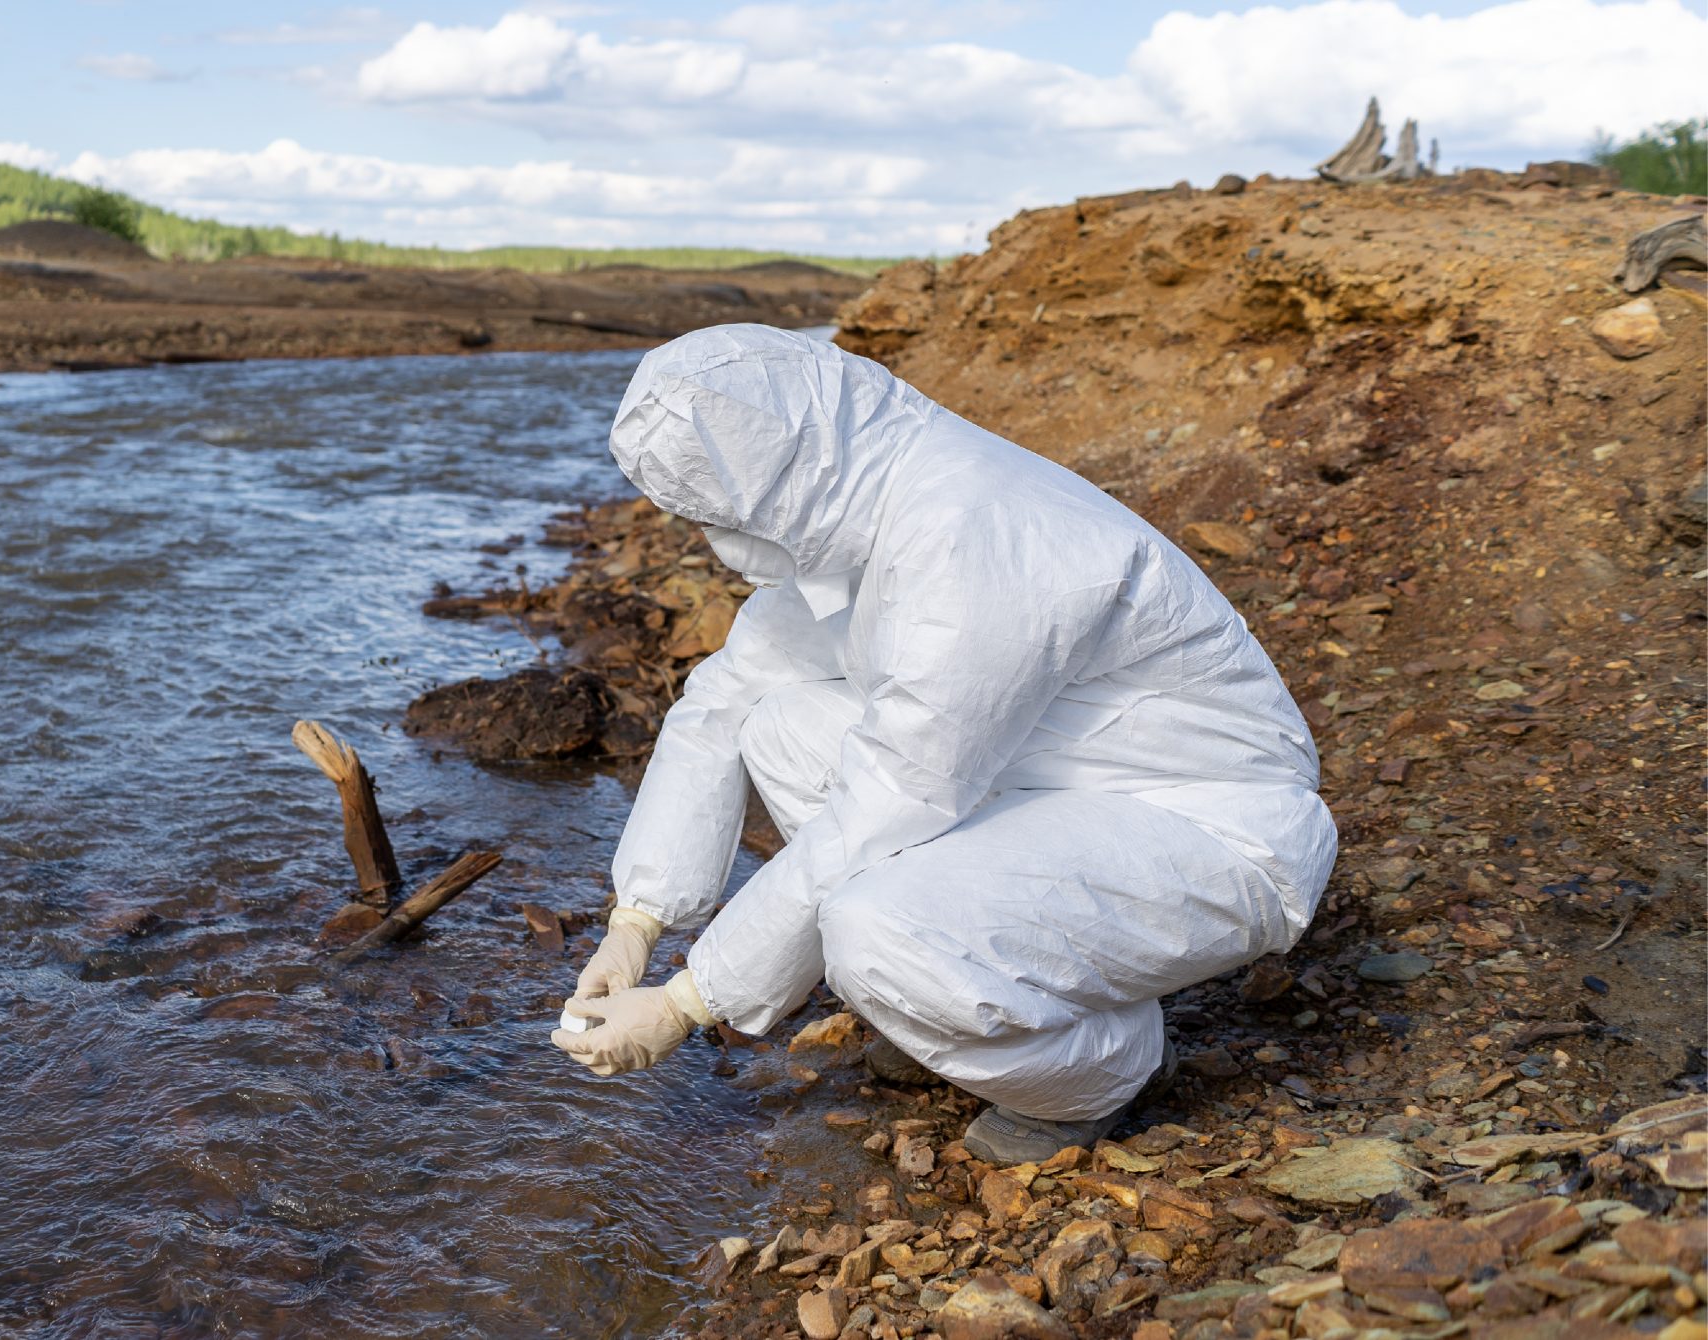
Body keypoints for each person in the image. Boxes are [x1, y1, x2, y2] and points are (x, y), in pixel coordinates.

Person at [551, 325, 1335, 1163]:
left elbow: (895, 797)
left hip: (1212, 823)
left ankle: (1101, 1068)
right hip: (1067, 780)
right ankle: (959, 998)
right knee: (775, 723)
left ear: (770, 478)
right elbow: (724, 696)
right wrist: (638, 919)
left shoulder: (973, 532)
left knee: (874, 930)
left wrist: (685, 1002)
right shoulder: (869, 500)